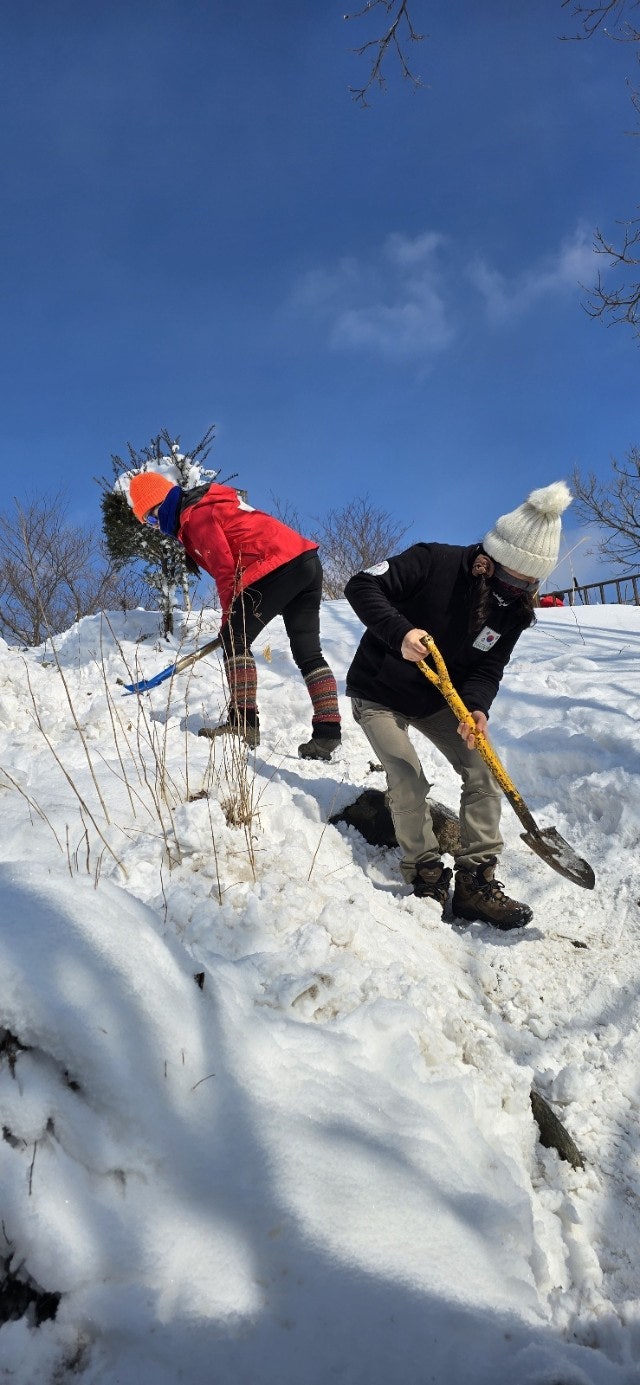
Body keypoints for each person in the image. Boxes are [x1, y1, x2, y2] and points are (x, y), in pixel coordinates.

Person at [343, 481, 573, 930]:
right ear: (493, 558)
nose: (519, 590)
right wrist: (400, 632)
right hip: (379, 691)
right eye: (515, 579)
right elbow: (361, 585)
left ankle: (475, 882)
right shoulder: (433, 561)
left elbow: (488, 667)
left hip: (439, 702)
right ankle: (425, 873)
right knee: (407, 777)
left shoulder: (513, 610)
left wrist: (477, 708)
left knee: (483, 771)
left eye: (531, 583)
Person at [128, 473, 341, 759]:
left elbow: (225, 572)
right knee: (308, 651)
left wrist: (229, 619)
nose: (154, 527)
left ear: (161, 503)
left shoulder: (197, 516)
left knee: (234, 639)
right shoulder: (205, 506)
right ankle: (328, 732)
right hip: (305, 561)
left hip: (276, 565)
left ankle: (243, 723)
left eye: (151, 518)